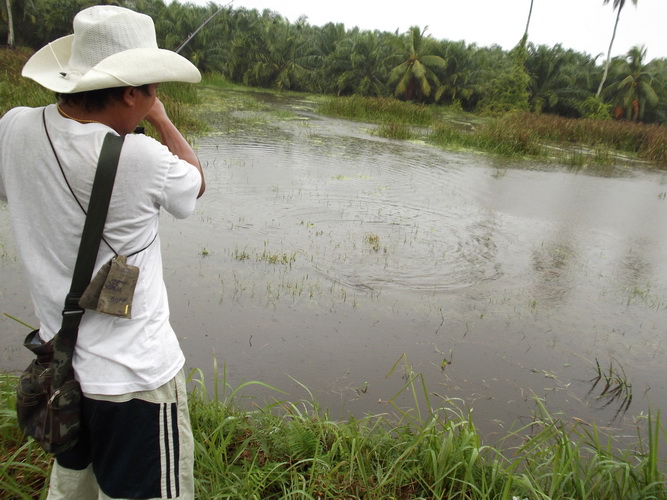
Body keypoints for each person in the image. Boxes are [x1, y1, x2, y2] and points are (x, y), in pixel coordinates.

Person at [0, 5, 205, 499]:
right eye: (152, 88)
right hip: (136, 382)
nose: (155, 98)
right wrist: (159, 119)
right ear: (132, 92)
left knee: (72, 490)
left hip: (63, 369)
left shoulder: (14, 128)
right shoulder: (142, 157)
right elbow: (194, 185)